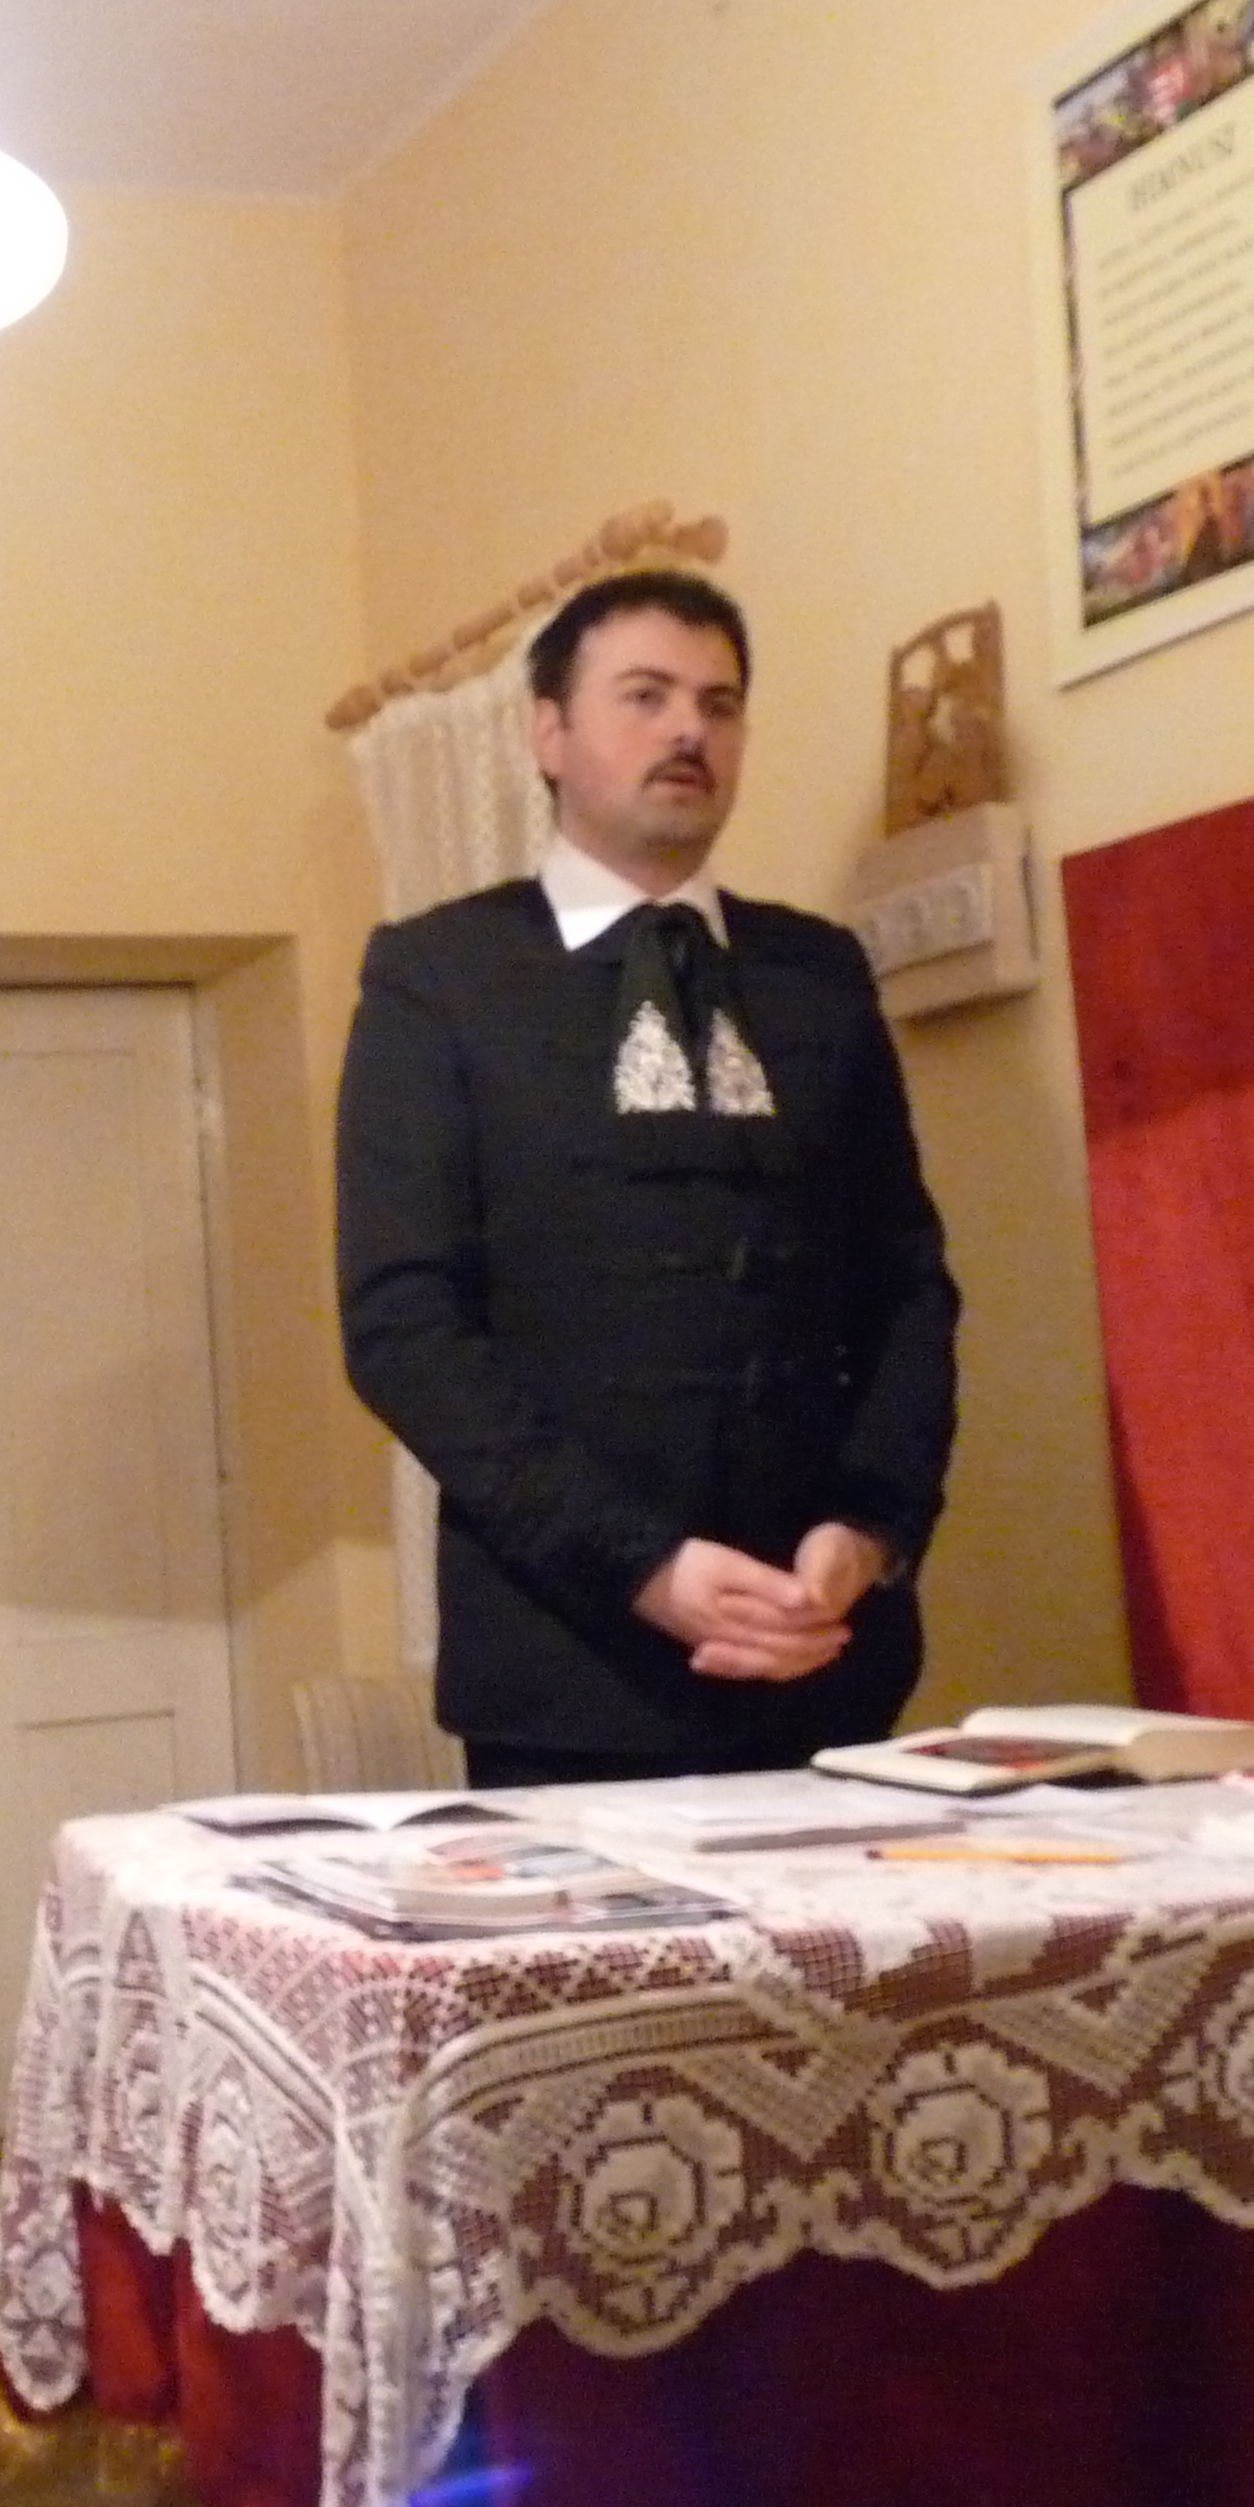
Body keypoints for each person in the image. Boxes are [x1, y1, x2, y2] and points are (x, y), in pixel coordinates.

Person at [334, 570, 959, 1787]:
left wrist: (872, 1528)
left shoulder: (819, 973)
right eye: (646, 696)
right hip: (568, 1674)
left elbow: (905, 1287)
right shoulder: (440, 977)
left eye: (719, 705)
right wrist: (641, 1566)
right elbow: (404, 1327)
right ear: (548, 733)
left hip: (824, 1652)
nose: (689, 730)